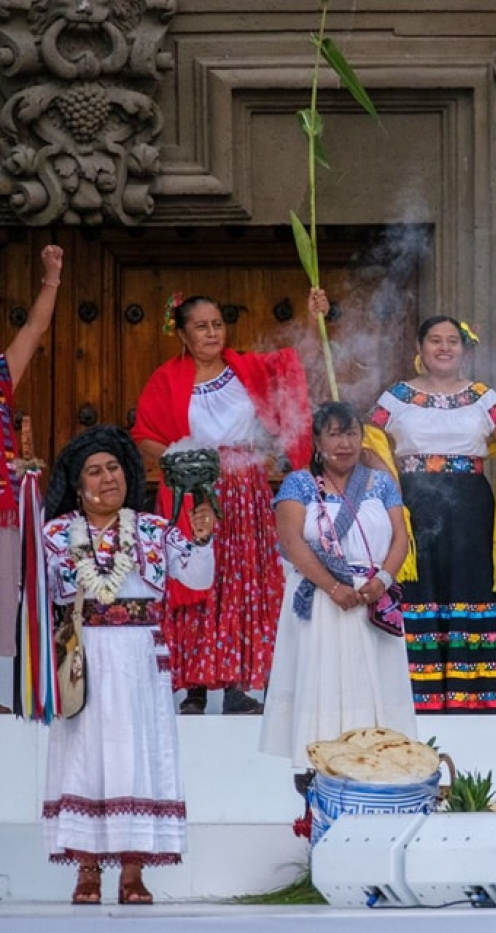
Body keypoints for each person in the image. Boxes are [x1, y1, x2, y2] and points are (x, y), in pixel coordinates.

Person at [40, 426, 216, 905]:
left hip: (140, 655)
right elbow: (36, 593)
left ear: (128, 473)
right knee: (85, 758)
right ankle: (88, 871)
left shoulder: (153, 529)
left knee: (139, 757)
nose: (107, 478)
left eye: (113, 467)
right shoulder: (55, 534)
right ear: (78, 487)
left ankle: (134, 873)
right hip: (84, 654)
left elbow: (198, 580)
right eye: (94, 472)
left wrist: (200, 539)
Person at [132, 291, 317, 715]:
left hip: (244, 489)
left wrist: (310, 316)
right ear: (181, 334)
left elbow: (290, 367)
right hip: (193, 489)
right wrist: (178, 457)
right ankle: (193, 686)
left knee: (239, 582)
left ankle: (237, 683)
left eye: (217, 323)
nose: (212, 332)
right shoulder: (167, 379)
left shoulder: (246, 368)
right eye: (201, 326)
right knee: (197, 581)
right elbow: (144, 434)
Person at [367, 316, 496, 713]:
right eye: (435, 341)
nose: (444, 348)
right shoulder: (396, 396)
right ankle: (414, 694)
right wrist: (387, 490)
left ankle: (477, 694)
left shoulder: (483, 397)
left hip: (470, 506)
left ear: (464, 348)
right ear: (421, 349)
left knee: (469, 588)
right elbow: (369, 442)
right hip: (414, 504)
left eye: (453, 341)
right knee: (419, 589)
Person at [259, 402, 416, 768]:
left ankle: (381, 765)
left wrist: (382, 580)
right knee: (322, 684)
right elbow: (292, 542)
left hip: (371, 599)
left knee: (374, 680)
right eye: (334, 434)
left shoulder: (381, 484)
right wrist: (332, 586)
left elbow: (400, 538)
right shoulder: (298, 484)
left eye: (351, 434)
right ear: (317, 440)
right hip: (321, 600)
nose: (344, 443)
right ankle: (318, 767)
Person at [0, 244, 63, 689]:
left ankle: (3, 688)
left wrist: (52, 276)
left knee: (4, 596)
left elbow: (36, 329)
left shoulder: (1, 374)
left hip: (1, 508)